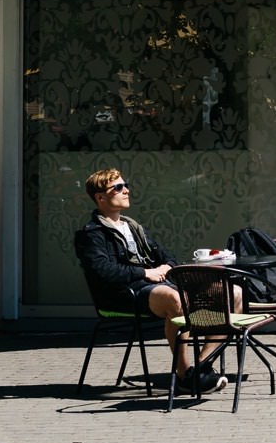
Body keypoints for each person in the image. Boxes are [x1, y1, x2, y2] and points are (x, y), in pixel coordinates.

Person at [73, 168, 226, 394]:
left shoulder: (133, 227)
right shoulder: (91, 234)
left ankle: (201, 367)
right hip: (123, 295)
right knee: (174, 298)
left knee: (230, 293)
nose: (126, 191)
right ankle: (184, 375)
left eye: (126, 186)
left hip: (153, 286)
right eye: (118, 187)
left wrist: (165, 267)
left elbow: (167, 257)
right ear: (100, 197)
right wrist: (145, 273)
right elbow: (103, 271)